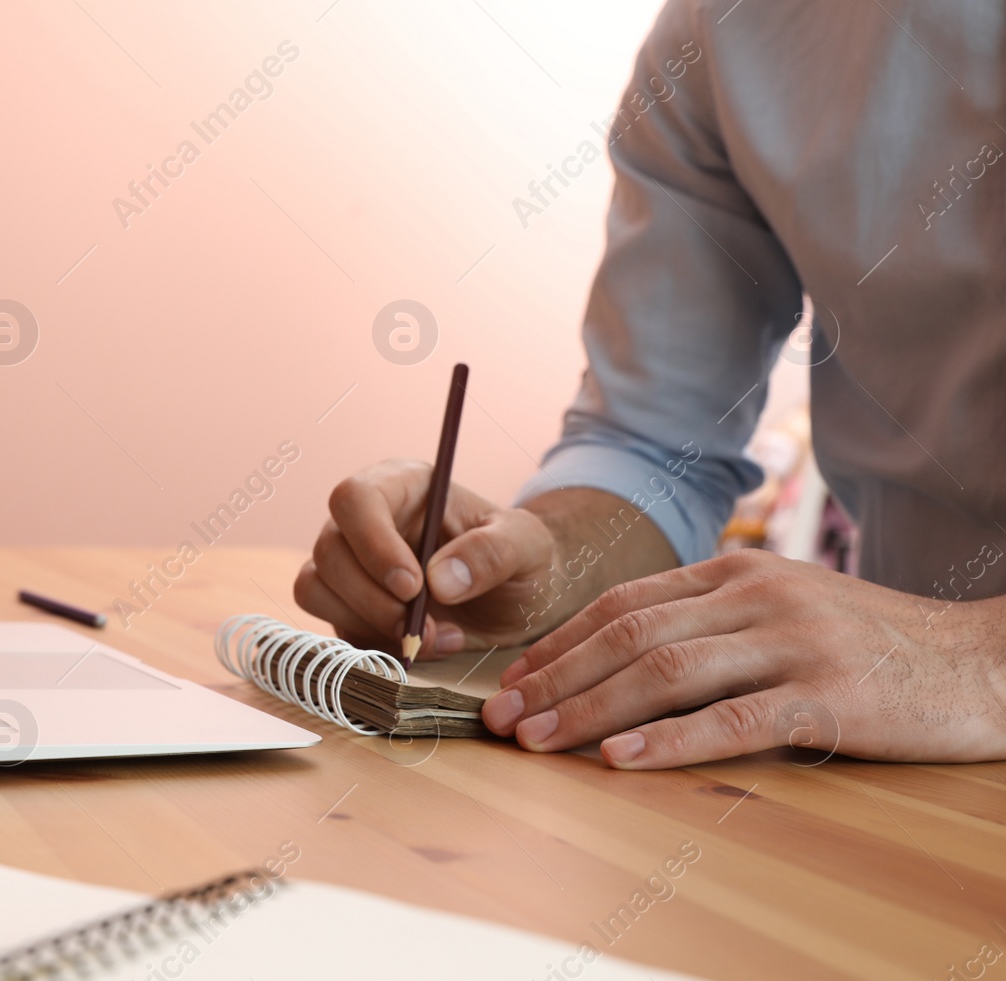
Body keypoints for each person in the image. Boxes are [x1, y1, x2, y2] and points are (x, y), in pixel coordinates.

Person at [295, 0, 1006, 770]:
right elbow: (657, 447)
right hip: (904, 775)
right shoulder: (719, 30)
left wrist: (980, 660)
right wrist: (547, 562)